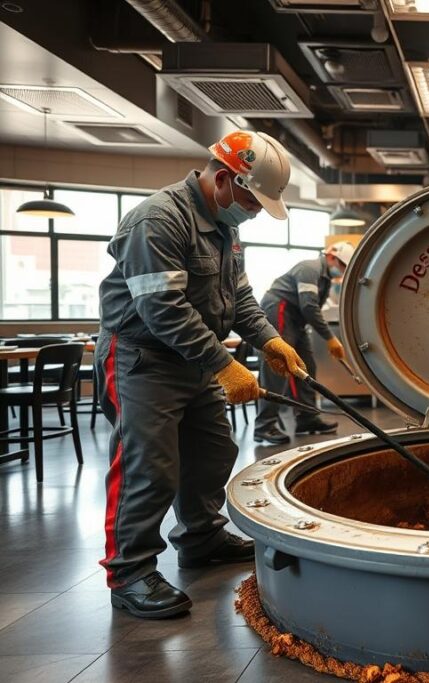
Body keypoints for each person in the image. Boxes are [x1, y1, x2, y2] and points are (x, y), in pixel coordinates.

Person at [95, 130, 307, 619]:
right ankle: (129, 572)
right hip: (142, 360)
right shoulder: (158, 220)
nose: (255, 211)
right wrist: (225, 365)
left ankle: (201, 537)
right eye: (253, 201)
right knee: (149, 467)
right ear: (225, 179)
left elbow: (241, 302)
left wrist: (269, 341)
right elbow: (162, 310)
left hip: (194, 359)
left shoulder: (225, 229)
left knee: (214, 449)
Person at [252, 242, 354, 444]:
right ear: (331, 256)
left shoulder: (324, 278)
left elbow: (310, 308)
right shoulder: (310, 268)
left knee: (306, 366)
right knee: (278, 366)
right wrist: (330, 337)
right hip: (280, 309)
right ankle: (265, 425)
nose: (341, 270)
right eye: (341, 264)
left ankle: (307, 418)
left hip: (296, 320)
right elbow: (309, 306)